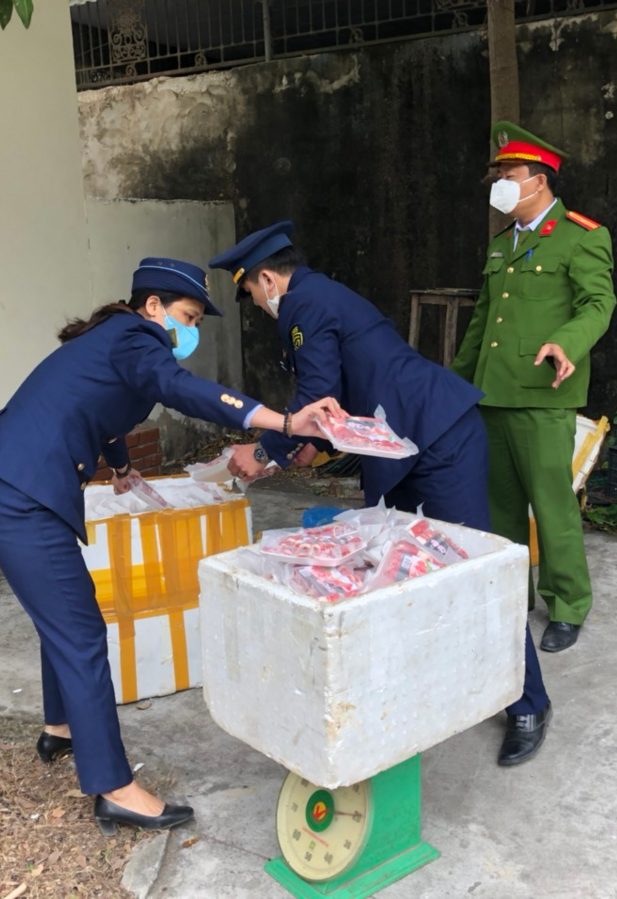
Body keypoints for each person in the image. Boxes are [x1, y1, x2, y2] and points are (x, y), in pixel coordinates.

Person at [0, 257, 343, 834]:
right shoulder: (137, 338)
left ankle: (60, 728)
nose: (191, 330)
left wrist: (120, 469)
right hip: (19, 497)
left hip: (5, 486)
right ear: (154, 306)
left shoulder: (114, 340)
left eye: (197, 322)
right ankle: (114, 788)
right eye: (188, 316)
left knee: (62, 616)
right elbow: (182, 390)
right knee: (81, 633)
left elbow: (104, 413)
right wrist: (284, 423)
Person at [209, 225, 552, 765]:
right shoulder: (321, 296)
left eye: (251, 292)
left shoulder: (303, 304)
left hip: (437, 439)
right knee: (400, 566)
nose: (256, 304)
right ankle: (441, 681)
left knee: (473, 569)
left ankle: (529, 703)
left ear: (268, 279)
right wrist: (311, 445)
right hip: (401, 445)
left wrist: (265, 449)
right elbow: (341, 395)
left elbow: (317, 392)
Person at [451, 122, 617, 654]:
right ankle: (511, 595)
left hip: (544, 396)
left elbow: (598, 305)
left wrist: (567, 343)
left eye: (510, 174)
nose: (501, 184)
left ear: (539, 181)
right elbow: (483, 323)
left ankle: (567, 605)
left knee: (551, 506)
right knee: (499, 509)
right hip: (493, 395)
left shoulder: (581, 235)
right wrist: (454, 385)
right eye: (498, 175)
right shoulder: (503, 244)